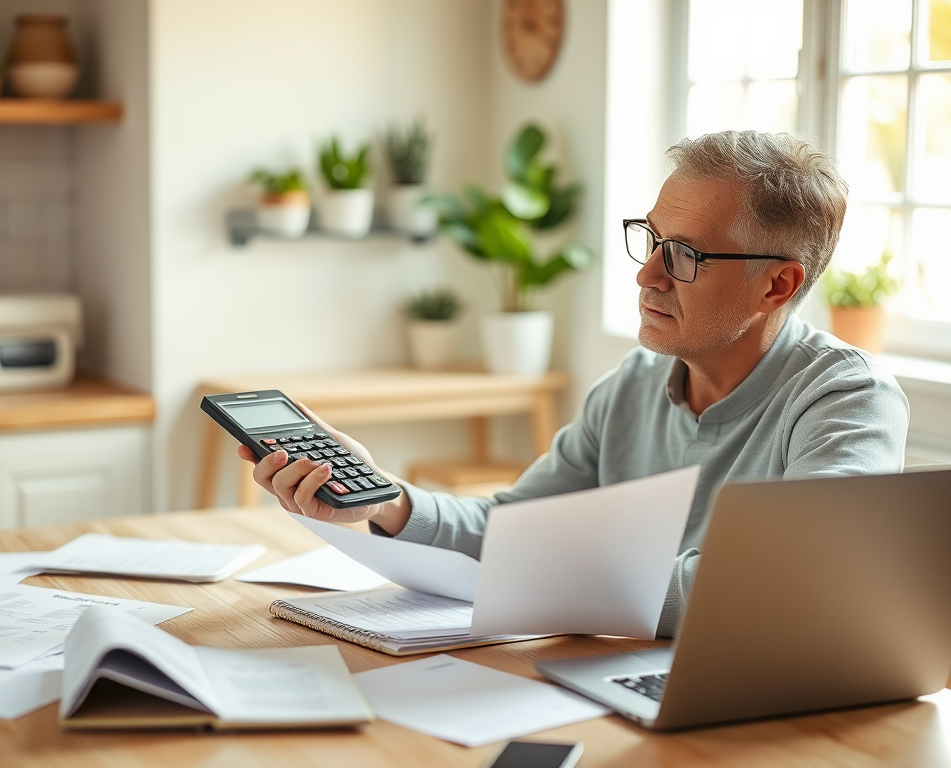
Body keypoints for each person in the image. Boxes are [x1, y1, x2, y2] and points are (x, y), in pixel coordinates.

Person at [238, 130, 910, 636]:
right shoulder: (634, 384)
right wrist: (380, 500)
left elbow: (779, 590)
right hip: (622, 677)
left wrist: (544, 573)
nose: (647, 276)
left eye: (685, 255)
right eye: (650, 240)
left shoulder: (847, 401)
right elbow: (517, 529)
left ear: (777, 284)